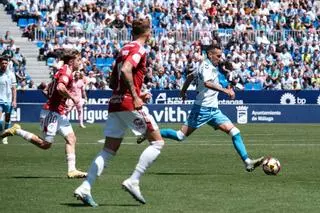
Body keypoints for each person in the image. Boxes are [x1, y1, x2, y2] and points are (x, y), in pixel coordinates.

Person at [74, 18, 165, 207]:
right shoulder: (139, 49)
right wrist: (135, 96)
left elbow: (112, 79)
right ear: (147, 33)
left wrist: (135, 93)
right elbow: (126, 70)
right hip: (128, 103)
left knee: (108, 150)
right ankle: (134, 180)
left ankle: (85, 187)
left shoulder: (123, 49)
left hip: (115, 102)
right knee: (157, 142)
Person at [139, 44, 264, 172]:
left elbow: (189, 77)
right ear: (210, 55)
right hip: (202, 109)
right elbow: (207, 83)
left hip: (214, 111)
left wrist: (183, 91)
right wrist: (225, 90)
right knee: (180, 135)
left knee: (235, 132)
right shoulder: (206, 66)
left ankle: (247, 162)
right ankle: (149, 132)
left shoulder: (206, 66)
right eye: (218, 56)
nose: (220, 58)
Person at [0, 49, 87, 178]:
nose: (80, 62)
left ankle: (72, 170)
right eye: (78, 60)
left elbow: (49, 89)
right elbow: (60, 87)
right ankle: (17, 130)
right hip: (52, 112)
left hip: (59, 112)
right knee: (45, 145)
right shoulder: (66, 71)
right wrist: (72, 98)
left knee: (71, 138)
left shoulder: (65, 71)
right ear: (71, 61)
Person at [0, 56, 17, 144]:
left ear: (7, 64)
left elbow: (14, 88)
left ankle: (5, 136)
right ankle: (1, 133)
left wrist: (14, 100)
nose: (4, 64)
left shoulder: (11, 74)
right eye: (2, 63)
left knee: (7, 119)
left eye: (5, 63)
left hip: (9, 100)